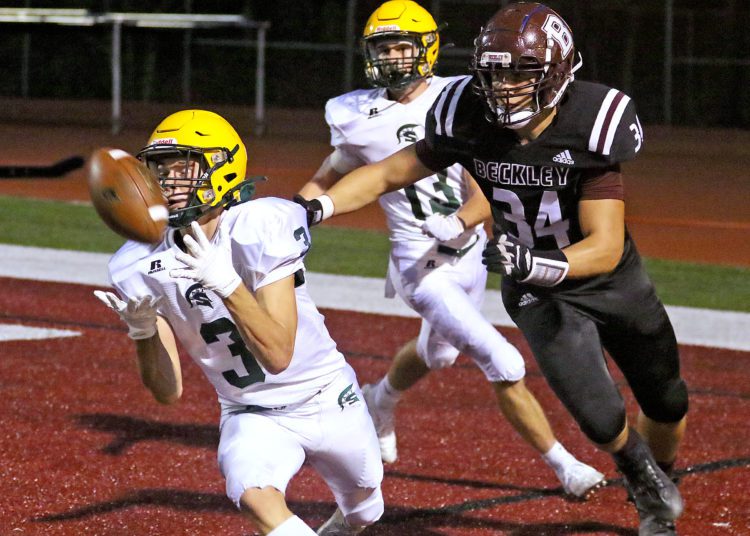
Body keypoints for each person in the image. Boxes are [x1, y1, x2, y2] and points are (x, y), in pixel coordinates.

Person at [294, 3, 689, 535]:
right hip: (534, 289)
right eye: (495, 72)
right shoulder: (467, 113)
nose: (504, 86)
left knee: (666, 399)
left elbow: (606, 247)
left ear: (555, 72)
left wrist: (533, 258)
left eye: (520, 73)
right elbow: (389, 172)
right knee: (599, 416)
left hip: (607, 279)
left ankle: (660, 475)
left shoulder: (591, 121)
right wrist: (318, 207)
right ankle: (645, 488)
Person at [94, 109, 384, 536]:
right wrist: (142, 332)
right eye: (161, 170)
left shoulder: (262, 224)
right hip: (250, 411)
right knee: (253, 492)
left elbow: (279, 354)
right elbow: (167, 390)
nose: (168, 183)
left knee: (365, 510)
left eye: (183, 168)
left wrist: (226, 281)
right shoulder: (135, 263)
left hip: (326, 394)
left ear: (222, 168)